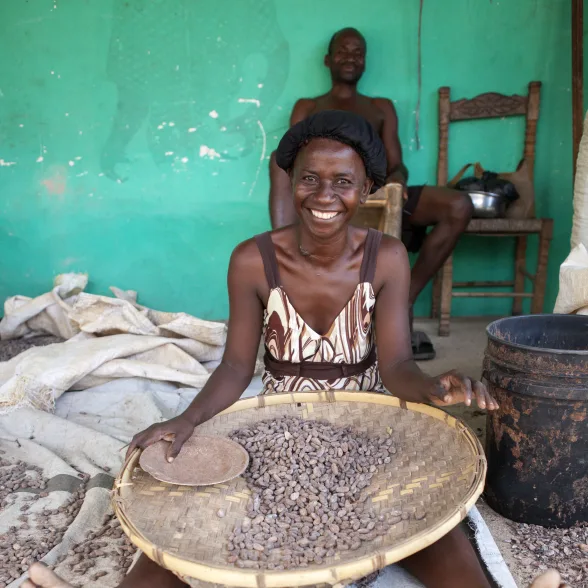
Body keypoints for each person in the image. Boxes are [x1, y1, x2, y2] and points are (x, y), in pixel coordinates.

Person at [22, 111, 549, 588]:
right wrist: (188, 418)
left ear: (368, 187)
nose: (325, 196)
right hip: (281, 422)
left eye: (343, 182)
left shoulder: (387, 257)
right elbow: (235, 365)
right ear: (291, 182)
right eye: (309, 179)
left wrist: (432, 388)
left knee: (426, 513)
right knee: (198, 514)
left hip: (369, 421)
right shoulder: (252, 260)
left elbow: (394, 365)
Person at [269, 27, 475, 361]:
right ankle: (285, 268)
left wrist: (397, 180)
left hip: (377, 191)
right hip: (325, 194)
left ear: (365, 61)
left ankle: (403, 297)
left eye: (358, 52)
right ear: (327, 60)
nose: (350, 57)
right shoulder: (309, 106)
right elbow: (291, 160)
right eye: (343, 51)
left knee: (459, 205)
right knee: (275, 160)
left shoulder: (380, 107)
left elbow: (396, 163)